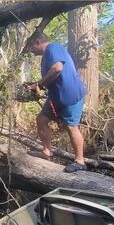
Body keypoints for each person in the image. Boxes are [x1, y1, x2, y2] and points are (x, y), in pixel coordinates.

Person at [25, 31, 88, 173]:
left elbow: (58, 68)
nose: (31, 50)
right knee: (41, 119)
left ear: (38, 42)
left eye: (31, 47)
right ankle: (46, 152)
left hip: (70, 95)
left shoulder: (53, 47)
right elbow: (51, 77)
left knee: (71, 127)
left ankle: (80, 161)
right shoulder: (46, 56)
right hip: (56, 98)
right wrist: (36, 85)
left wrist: (39, 84)